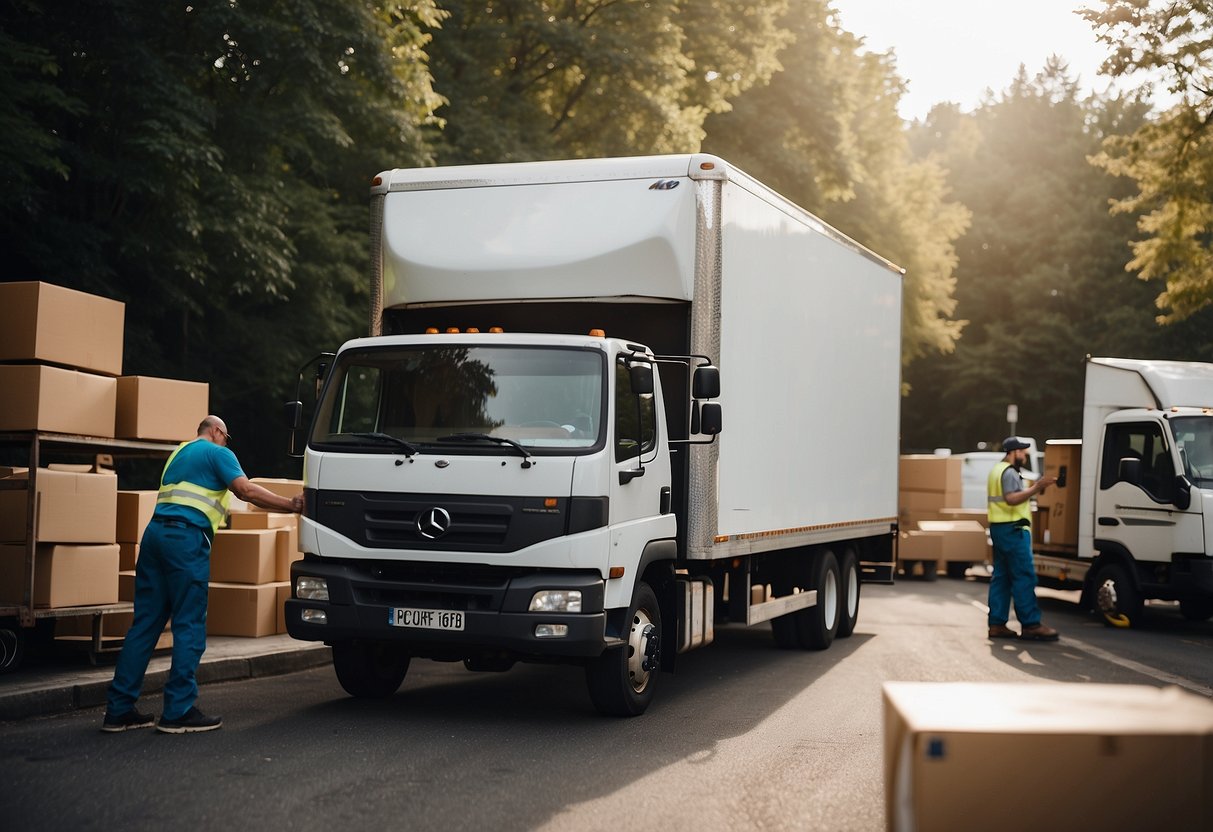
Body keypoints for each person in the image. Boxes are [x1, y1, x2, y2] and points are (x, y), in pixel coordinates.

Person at [102, 415, 303, 733]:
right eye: (227, 437)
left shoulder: (179, 453)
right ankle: (178, 711)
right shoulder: (218, 452)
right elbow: (245, 491)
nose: (227, 442)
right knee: (189, 624)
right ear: (218, 431)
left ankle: (119, 710)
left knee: (144, 625)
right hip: (185, 540)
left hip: (154, 537)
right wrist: (291, 505)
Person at [987, 436, 1059, 641]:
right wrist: (1036, 487)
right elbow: (1011, 499)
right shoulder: (1009, 473)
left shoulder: (997, 470)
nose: (1025, 454)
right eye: (1022, 451)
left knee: (1002, 577)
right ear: (1012, 452)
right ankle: (1031, 624)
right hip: (1013, 530)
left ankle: (997, 624)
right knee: (1023, 575)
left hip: (1000, 529)